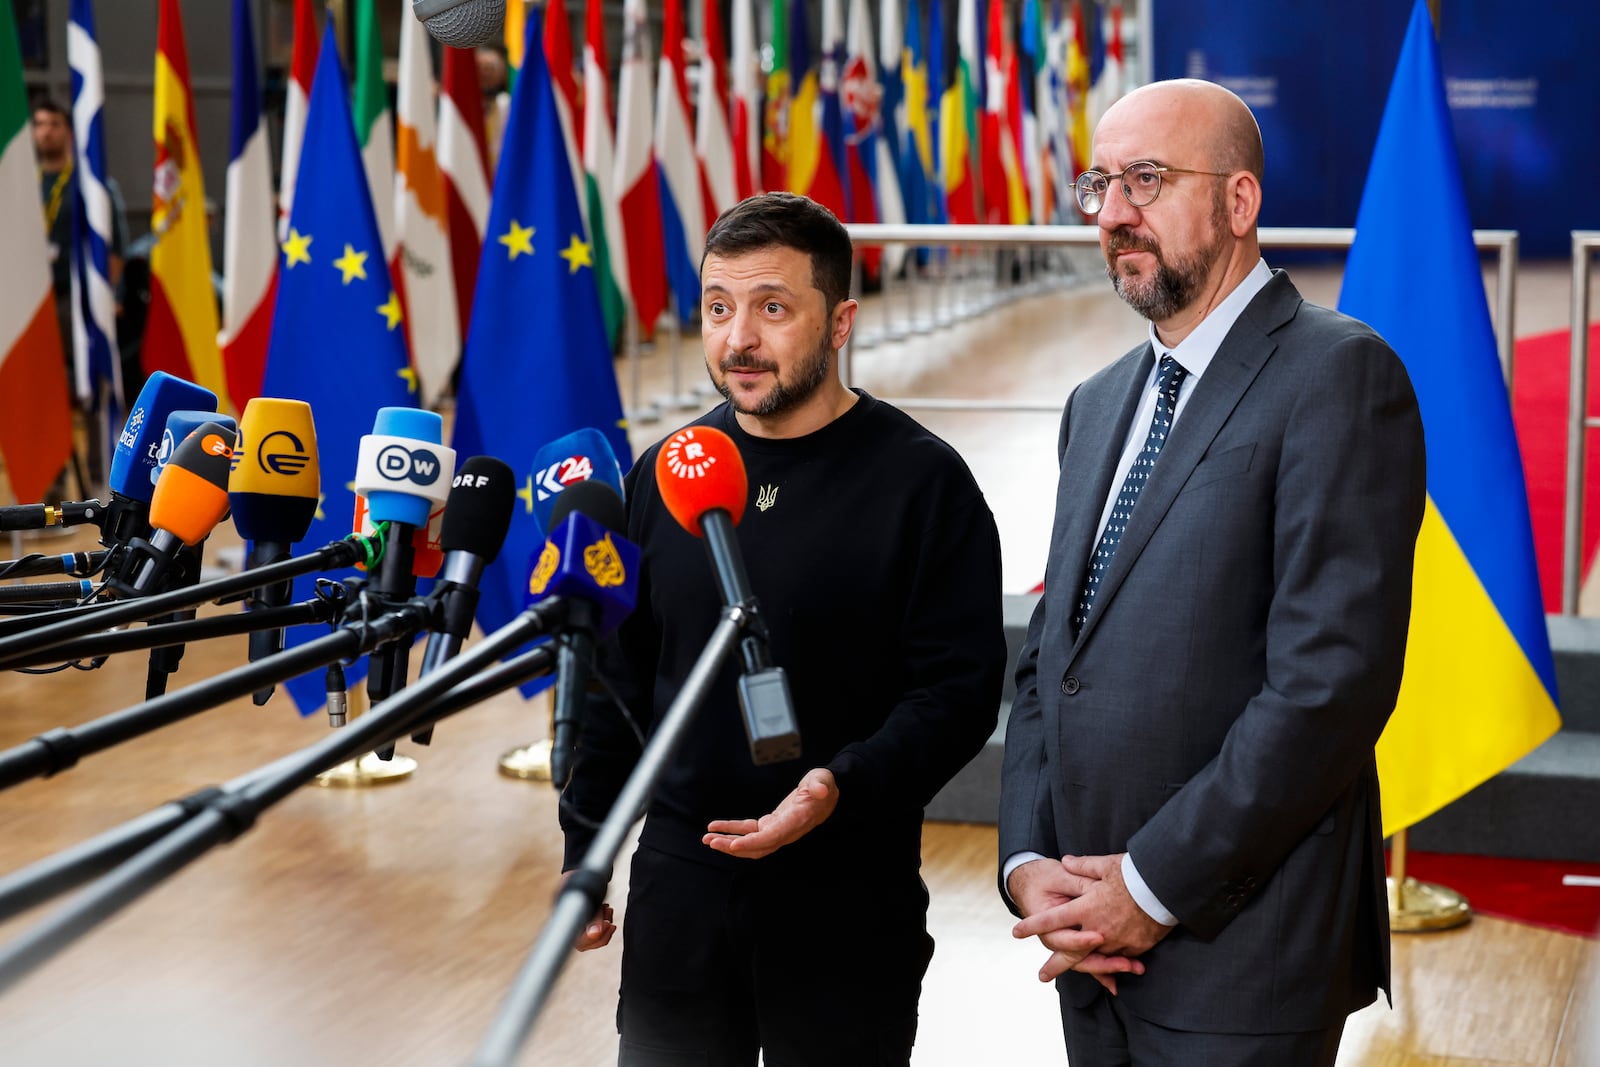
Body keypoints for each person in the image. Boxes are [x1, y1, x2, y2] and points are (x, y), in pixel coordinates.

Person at [998, 79, 1426, 1065]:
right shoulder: (1096, 402)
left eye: (1145, 179)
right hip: (1085, 946)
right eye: (1099, 184)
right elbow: (1048, 657)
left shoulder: (1337, 375)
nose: (1111, 213)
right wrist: (1029, 861)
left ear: (1239, 203)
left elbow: (1329, 684)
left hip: (1242, 947)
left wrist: (1148, 885)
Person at [562, 191, 1007, 1066]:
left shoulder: (924, 484)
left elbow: (957, 693)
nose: (738, 340)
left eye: (772, 308)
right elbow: (621, 678)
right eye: (719, 308)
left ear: (840, 321)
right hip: (682, 885)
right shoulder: (666, 472)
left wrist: (835, 787)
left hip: (845, 887)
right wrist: (586, 852)